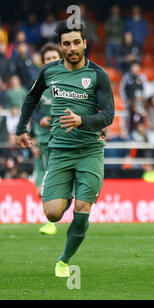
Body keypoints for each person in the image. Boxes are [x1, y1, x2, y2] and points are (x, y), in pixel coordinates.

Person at [15, 20, 115, 278]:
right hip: (59, 151)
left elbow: (108, 116)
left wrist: (83, 120)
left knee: (83, 209)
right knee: (52, 214)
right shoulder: (49, 72)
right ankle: (67, 192)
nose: (72, 48)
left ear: (85, 43)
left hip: (90, 151)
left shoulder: (98, 75)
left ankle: (64, 260)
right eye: (66, 43)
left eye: (76, 42)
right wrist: (20, 129)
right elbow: (31, 98)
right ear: (60, 46)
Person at [32, 43, 62, 236]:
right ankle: (50, 221)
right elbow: (31, 112)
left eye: (54, 58)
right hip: (45, 139)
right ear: (42, 63)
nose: (51, 62)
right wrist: (37, 127)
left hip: (66, 137)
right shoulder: (38, 85)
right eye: (47, 59)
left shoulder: (69, 82)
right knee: (48, 179)